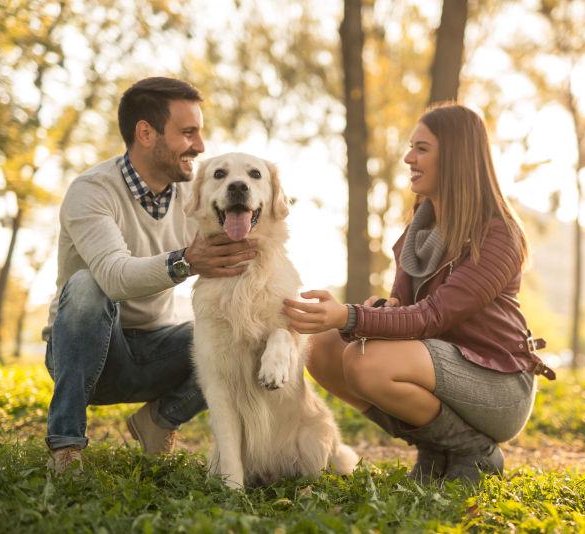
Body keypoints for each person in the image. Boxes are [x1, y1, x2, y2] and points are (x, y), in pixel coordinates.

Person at [283, 103, 555, 484]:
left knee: (369, 362)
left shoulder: (497, 234)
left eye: (422, 148)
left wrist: (350, 316)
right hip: (439, 368)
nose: (409, 157)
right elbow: (407, 311)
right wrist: (374, 312)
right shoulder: (418, 233)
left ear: (456, 156)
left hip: (497, 382)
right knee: (324, 347)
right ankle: (436, 446)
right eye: (412, 147)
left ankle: (472, 450)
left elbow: (433, 316)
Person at [43, 77, 257, 473]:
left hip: (159, 349)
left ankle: (159, 421)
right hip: (91, 354)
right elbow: (114, 277)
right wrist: (188, 261)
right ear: (146, 133)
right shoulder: (92, 190)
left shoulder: (195, 196)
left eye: (200, 132)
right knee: (88, 284)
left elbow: (241, 254)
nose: (200, 146)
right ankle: (66, 446)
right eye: (188, 132)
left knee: (237, 334)